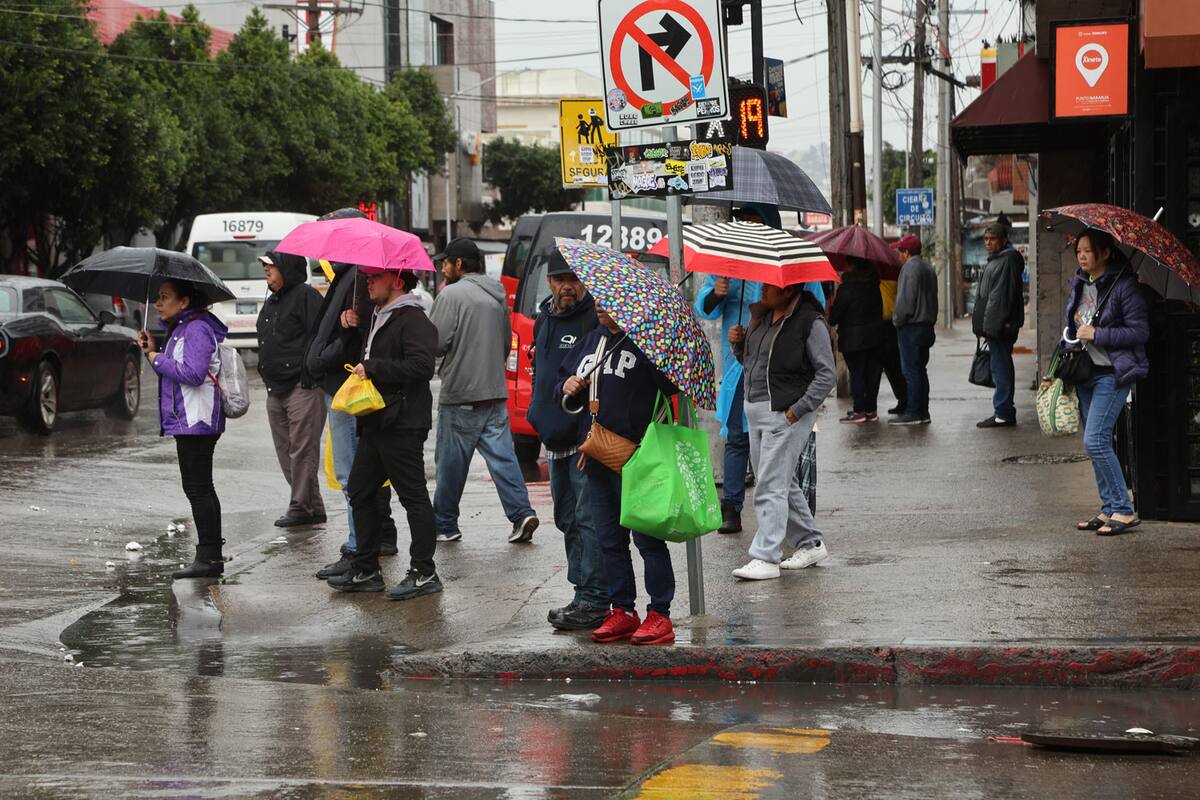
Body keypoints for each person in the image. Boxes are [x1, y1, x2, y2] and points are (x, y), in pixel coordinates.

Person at [694, 203, 826, 534]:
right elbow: (706, 309)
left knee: (778, 449)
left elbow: (815, 307)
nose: (748, 226)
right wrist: (716, 293)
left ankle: (795, 523)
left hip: (782, 371)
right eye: (744, 220)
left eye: (755, 220)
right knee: (737, 437)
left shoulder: (790, 262)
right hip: (741, 364)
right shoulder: (730, 263)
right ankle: (732, 507)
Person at [558, 304, 679, 645]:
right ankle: (623, 609)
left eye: (609, 303)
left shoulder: (644, 343)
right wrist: (565, 386)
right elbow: (561, 384)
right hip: (596, 457)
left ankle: (660, 613)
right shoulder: (589, 342)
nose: (599, 305)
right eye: (598, 299)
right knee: (609, 540)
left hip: (637, 458)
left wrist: (655, 351)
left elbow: (671, 388)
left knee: (647, 540)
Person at [327, 268, 441, 597]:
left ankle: (424, 573)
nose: (368, 282)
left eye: (376, 277)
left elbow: (422, 367)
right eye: (368, 277)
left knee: (413, 497)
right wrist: (349, 330)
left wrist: (374, 367)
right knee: (361, 491)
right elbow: (363, 358)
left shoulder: (413, 318)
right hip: (377, 421)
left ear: (398, 281)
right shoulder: (379, 316)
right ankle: (365, 570)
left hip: (402, 422)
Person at [302, 208, 398, 580]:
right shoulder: (350, 275)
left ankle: (361, 550)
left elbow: (357, 338)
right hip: (339, 383)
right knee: (354, 473)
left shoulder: (361, 276)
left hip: (348, 387)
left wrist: (326, 356)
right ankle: (361, 546)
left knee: (352, 474)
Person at [429, 238, 539, 545]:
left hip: (462, 392)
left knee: (451, 462)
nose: (442, 268)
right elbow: (506, 343)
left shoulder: (451, 295)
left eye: (445, 262)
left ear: (459, 264)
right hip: (494, 391)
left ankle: (445, 523)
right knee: (504, 459)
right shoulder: (498, 295)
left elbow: (434, 342)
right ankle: (521, 514)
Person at [728, 282, 836, 581]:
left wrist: (797, 410)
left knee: (770, 485)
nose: (762, 289)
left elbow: (826, 373)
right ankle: (810, 543)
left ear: (788, 289)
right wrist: (739, 345)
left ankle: (766, 556)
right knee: (779, 482)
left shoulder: (809, 322)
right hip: (757, 411)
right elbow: (754, 365)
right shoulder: (760, 318)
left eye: (769, 285)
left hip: (785, 412)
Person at [526, 251, 607, 631]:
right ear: (550, 283)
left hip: (583, 441)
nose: (567, 287)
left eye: (574, 279)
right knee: (566, 519)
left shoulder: (594, 320)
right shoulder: (544, 318)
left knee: (587, 518)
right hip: (553, 438)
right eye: (560, 280)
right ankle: (581, 592)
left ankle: (594, 598)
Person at [138, 280, 229, 579]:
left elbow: (192, 373)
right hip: (188, 420)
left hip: (198, 420)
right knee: (198, 486)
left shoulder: (197, 328)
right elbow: (174, 371)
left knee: (199, 487)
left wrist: (156, 357)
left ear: (185, 301)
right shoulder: (181, 327)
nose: (158, 303)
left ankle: (210, 558)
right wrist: (153, 352)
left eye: (164, 298)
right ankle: (209, 556)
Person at [1065, 231, 1149, 536]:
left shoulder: (1125, 286)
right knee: (1096, 442)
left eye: (1088, 251)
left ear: (1105, 253)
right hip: (1085, 373)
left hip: (1112, 373)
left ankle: (1124, 511)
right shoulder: (1079, 283)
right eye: (1079, 252)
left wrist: (1098, 334)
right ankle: (1109, 506)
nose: (1082, 256)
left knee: (1095, 440)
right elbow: (1071, 328)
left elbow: (1139, 332)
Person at [256, 251, 327, 527]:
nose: (266, 270)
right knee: (285, 449)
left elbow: (321, 336)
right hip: (275, 387)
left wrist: (311, 368)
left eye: (271, 266)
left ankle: (299, 506)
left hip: (302, 384)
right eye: (264, 266)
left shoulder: (306, 296)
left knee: (302, 450)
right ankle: (313, 505)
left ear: (287, 268)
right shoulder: (272, 300)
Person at [973, 219, 1026, 428]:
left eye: (992, 238)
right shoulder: (998, 260)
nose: (988, 242)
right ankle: (1003, 410)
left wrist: (990, 328)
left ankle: (1003, 412)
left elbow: (999, 300)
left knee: (1001, 367)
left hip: (1000, 327)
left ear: (1004, 240)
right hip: (997, 326)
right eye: (986, 239)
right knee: (1000, 366)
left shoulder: (1005, 261)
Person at [889, 235, 939, 426]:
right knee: (920, 370)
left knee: (911, 371)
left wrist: (897, 320)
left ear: (907, 253)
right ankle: (923, 411)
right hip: (926, 325)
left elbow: (905, 302)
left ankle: (913, 412)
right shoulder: (928, 268)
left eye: (900, 252)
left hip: (911, 327)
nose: (898, 256)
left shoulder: (909, 269)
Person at [828, 257, 885, 423]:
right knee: (872, 375)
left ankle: (859, 410)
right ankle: (871, 410)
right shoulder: (874, 286)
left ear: (853, 266)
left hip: (853, 340)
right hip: (875, 337)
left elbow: (834, 318)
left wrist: (832, 309)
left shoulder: (846, 288)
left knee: (858, 374)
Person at [878, 270, 908, 416]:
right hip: (892, 323)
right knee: (893, 366)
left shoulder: (884, 279)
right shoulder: (896, 276)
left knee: (891, 366)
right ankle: (903, 399)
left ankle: (903, 399)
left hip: (887, 322)